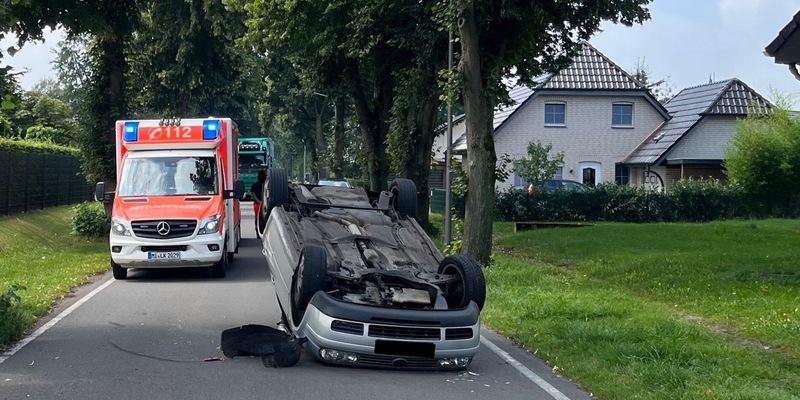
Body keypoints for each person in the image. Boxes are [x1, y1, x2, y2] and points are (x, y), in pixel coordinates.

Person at [251, 170, 267, 237]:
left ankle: (257, 229)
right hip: (264, 204)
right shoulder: (267, 185)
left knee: (257, 217)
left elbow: (252, 194)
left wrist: (258, 201)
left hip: (257, 204)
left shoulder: (255, 185)